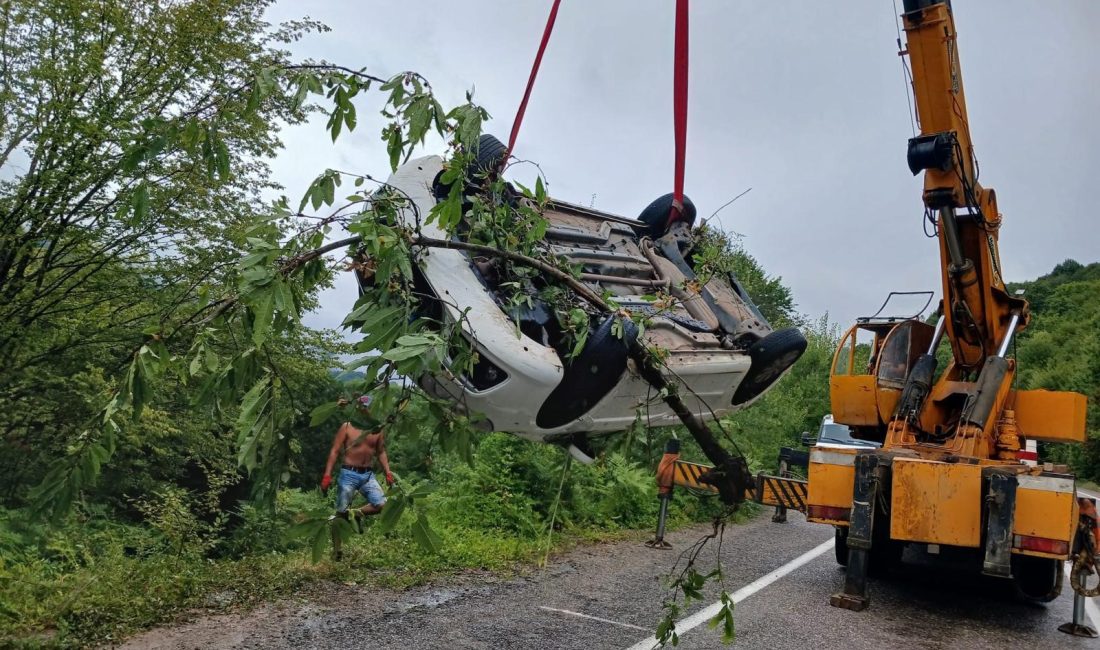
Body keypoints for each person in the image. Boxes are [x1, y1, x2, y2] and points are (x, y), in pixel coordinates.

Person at [321, 395, 394, 519]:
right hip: (349, 473)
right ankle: (340, 524)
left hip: (368, 475)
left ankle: (353, 514)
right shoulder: (347, 427)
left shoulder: (377, 430)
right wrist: (327, 475)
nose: (364, 410)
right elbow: (335, 451)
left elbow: (381, 452)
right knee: (341, 511)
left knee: (382, 505)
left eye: (366, 407)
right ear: (357, 409)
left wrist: (387, 472)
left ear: (371, 409)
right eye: (361, 407)